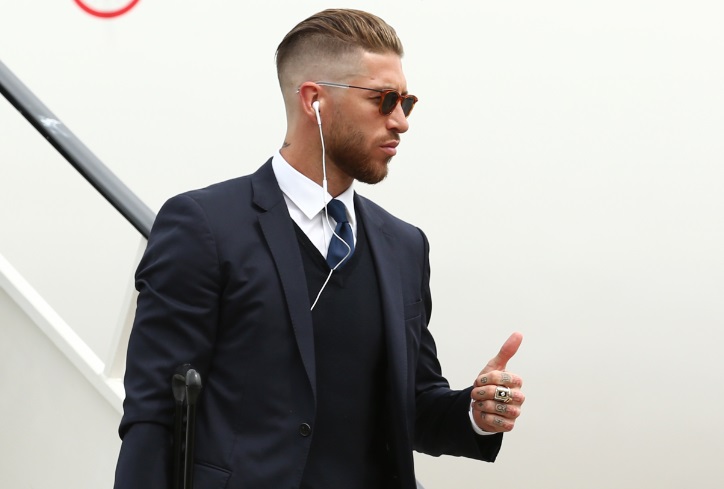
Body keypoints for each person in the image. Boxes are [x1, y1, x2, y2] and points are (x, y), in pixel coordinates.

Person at [114, 8, 525, 489]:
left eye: (407, 103)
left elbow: (412, 405)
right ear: (314, 101)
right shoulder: (204, 226)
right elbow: (154, 414)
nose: (400, 122)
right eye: (384, 100)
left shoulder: (404, 246)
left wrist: (476, 413)